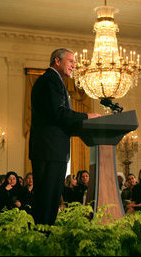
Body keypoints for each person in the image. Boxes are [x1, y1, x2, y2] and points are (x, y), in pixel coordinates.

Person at [29, 48, 100, 225]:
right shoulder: (50, 81)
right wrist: (86, 117)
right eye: (71, 61)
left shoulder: (53, 81)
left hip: (50, 150)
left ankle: (43, 236)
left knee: (49, 200)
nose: (74, 65)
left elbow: (58, 115)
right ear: (56, 61)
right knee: (47, 201)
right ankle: (42, 240)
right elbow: (57, 113)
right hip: (49, 150)